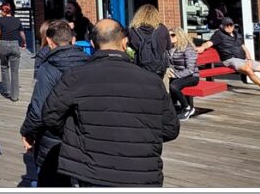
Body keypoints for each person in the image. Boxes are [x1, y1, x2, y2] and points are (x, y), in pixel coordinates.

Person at [42, 19, 180, 187]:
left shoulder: (76, 76)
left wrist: (79, 134)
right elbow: (170, 128)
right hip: (142, 172)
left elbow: (50, 116)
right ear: (125, 42)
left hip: (92, 171)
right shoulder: (152, 81)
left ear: (92, 44)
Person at [20, 20, 89, 187]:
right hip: (83, 134)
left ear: (50, 41)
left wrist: (27, 132)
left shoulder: (48, 68)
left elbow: (38, 109)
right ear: (72, 39)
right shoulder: (89, 63)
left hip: (52, 136)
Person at [198, 17, 260, 97]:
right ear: (222, 26)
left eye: (231, 25)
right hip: (231, 59)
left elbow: (244, 48)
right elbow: (208, 43)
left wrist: (249, 59)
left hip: (244, 59)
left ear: (233, 26)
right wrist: (202, 47)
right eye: (226, 25)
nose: (229, 27)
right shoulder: (218, 35)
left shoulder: (237, 35)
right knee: (248, 70)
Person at [127, 4, 172, 78]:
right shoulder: (162, 29)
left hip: (140, 67)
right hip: (159, 69)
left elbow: (129, 49)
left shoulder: (133, 30)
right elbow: (168, 47)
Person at [0, 0, 25, 101]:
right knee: (14, 71)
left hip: (3, 44)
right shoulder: (17, 20)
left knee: (4, 67)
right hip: (14, 44)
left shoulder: (0, 20)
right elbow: (22, 34)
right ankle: (15, 95)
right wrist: (24, 42)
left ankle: (7, 90)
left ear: (3, 11)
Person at [168, 27, 199, 120]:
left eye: (173, 35)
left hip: (191, 77)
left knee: (173, 86)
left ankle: (187, 108)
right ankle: (173, 107)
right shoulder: (169, 49)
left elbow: (190, 69)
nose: (170, 37)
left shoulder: (188, 49)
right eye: (168, 35)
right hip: (177, 75)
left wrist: (175, 75)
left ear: (180, 36)